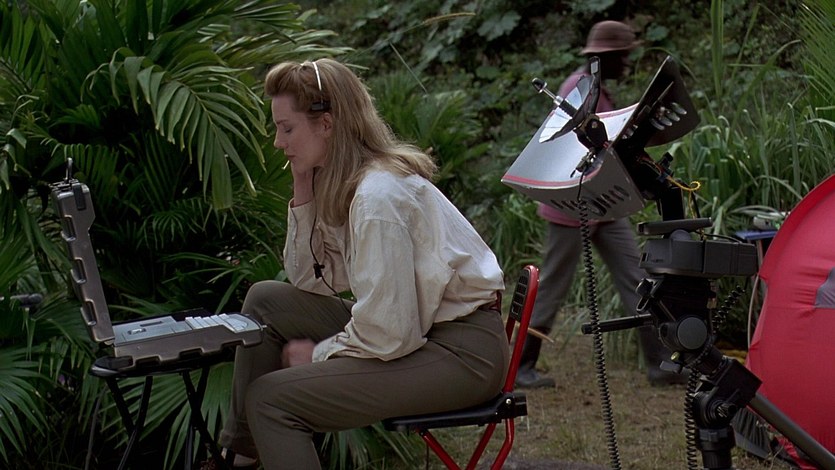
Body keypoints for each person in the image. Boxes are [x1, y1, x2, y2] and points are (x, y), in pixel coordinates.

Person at [212, 58, 508, 469]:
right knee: (266, 300)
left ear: (326, 124)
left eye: (287, 129)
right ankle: (238, 457)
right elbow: (309, 278)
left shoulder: (376, 199)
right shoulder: (352, 184)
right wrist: (302, 188)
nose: (278, 142)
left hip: (461, 354)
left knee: (270, 400)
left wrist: (320, 354)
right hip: (422, 327)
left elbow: (391, 334)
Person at [515, 20, 685, 389]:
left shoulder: (600, 91)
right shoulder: (577, 88)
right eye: (622, 56)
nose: (626, 63)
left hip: (603, 206)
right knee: (553, 286)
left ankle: (659, 363)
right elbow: (568, 147)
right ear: (605, 57)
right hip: (571, 207)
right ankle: (522, 365)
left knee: (635, 278)